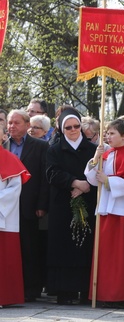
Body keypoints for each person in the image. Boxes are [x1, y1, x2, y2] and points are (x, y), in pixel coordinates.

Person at [84, 119, 124, 308]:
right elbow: (93, 181)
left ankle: (120, 294)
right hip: (106, 209)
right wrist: (95, 159)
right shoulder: (106, 153)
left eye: (112, 133)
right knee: (105, 255)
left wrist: (108, 181)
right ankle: (103, 293)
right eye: (107, 133)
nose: (107, 137)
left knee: (121, 256)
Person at [46, 108, 97, 305]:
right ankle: (64, 291)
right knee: (63, 246)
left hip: (88, 200)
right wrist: (74, 183)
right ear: (61, 128)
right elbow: (52, 173)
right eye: (68, 127)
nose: (73, 130)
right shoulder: (54, 150)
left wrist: (86, 186)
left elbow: (98, 170)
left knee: (85, 244)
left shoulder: (93, 149)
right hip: (62, 203)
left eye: (76, 126)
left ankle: (85, 289)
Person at [4, 109, 49, 302]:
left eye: (16, 123)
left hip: (29, 204)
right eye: (9, 123)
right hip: (6, 208)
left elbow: (44, 178)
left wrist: (42, 204)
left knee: (30, 247)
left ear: (27, 125)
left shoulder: (40, 146)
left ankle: (31, 289)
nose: (12, 126)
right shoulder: (3, 146)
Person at [0, 126, 31, 308]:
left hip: (4, 216)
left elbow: (15, 189)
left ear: (4, 136)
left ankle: (3, 296)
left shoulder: (10, 159)